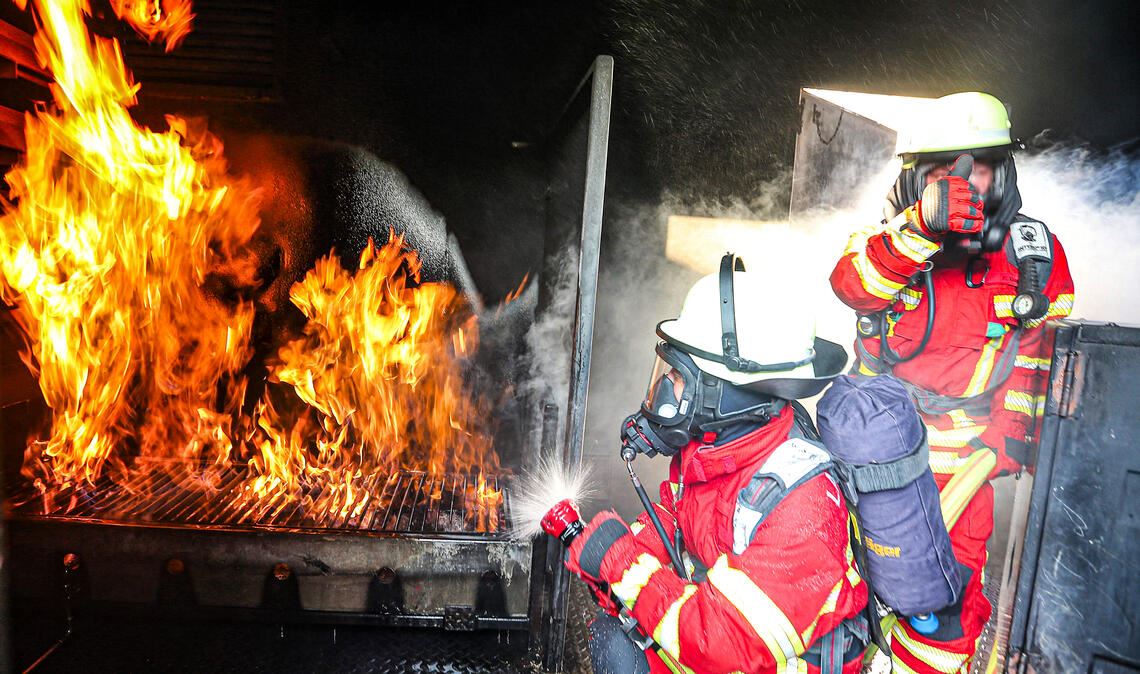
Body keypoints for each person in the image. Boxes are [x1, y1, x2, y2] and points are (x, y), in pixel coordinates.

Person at [829, 91, 1075, 673]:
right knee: (844, 580)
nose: (963, 181)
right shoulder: (883, 243)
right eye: (943, 170)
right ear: (915, 179)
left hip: (966, 458)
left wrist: (1009, 434)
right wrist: (920, 230)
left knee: (943, 603)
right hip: (866, 449)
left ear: (1004, 172)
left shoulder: (1032, 255)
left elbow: (1041, 353)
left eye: (978, 166)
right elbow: (852, 285)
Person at [564, 255, 869, 674]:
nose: (666, 388)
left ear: (730, 394)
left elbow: (721, 641)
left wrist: (621, 563)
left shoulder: (804, 506)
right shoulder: (715, 449)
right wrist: (617, 559)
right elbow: (676, 518)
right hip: (718, 630)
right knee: (613, 638)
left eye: (680, 376)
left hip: (746, 651)